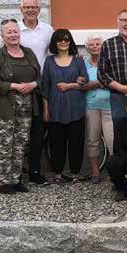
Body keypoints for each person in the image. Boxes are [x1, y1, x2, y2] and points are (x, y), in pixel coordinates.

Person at [0, 19, 41, 194]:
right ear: (2, 35)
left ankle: (16, 180)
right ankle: (4, 182)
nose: (13, 35)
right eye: (8, 32)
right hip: (4, 107)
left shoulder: (29, 53)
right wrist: (13, 86)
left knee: (20, 144)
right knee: (4, 145)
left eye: (15, 31)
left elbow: (39, 76)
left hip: (26, 107)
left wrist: (33, 84)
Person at [42, 29, 87, 183]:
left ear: (70, 42)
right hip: (55, 108)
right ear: (55, 42)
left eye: (66, 40)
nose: (63, 42)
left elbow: (84, 83)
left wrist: (70, 85)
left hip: (76, 108)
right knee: (56, 143)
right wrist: (46, 109)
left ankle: (75, 173)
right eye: (60, 40)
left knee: (76, 142)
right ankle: (58, 173)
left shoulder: (78, 60)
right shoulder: (48, 61)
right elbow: (45, 87)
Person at [18, 0, 52, 185]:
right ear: (21, 9)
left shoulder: (47, 30)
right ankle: (16, 172)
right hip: (18, 88)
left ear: (39, 9)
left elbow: (53, 54)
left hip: (38, 87)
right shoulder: (15, 29)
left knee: (38, 132)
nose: (30, 10)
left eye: (34, 7)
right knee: (20, 132)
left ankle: (35, 171)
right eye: (27, 7)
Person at [83, 35, 114, 183]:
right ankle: (95, 172)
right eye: (91, 44)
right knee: (92, 139)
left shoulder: (110, 63)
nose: (95, 46)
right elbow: (81, 83)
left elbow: (116, 81)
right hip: (90, 106)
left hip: (109, 105)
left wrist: (97, 84)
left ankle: (114, 171)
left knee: (111, 139)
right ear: (87, 48)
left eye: (97, 43)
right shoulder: (83, 64)